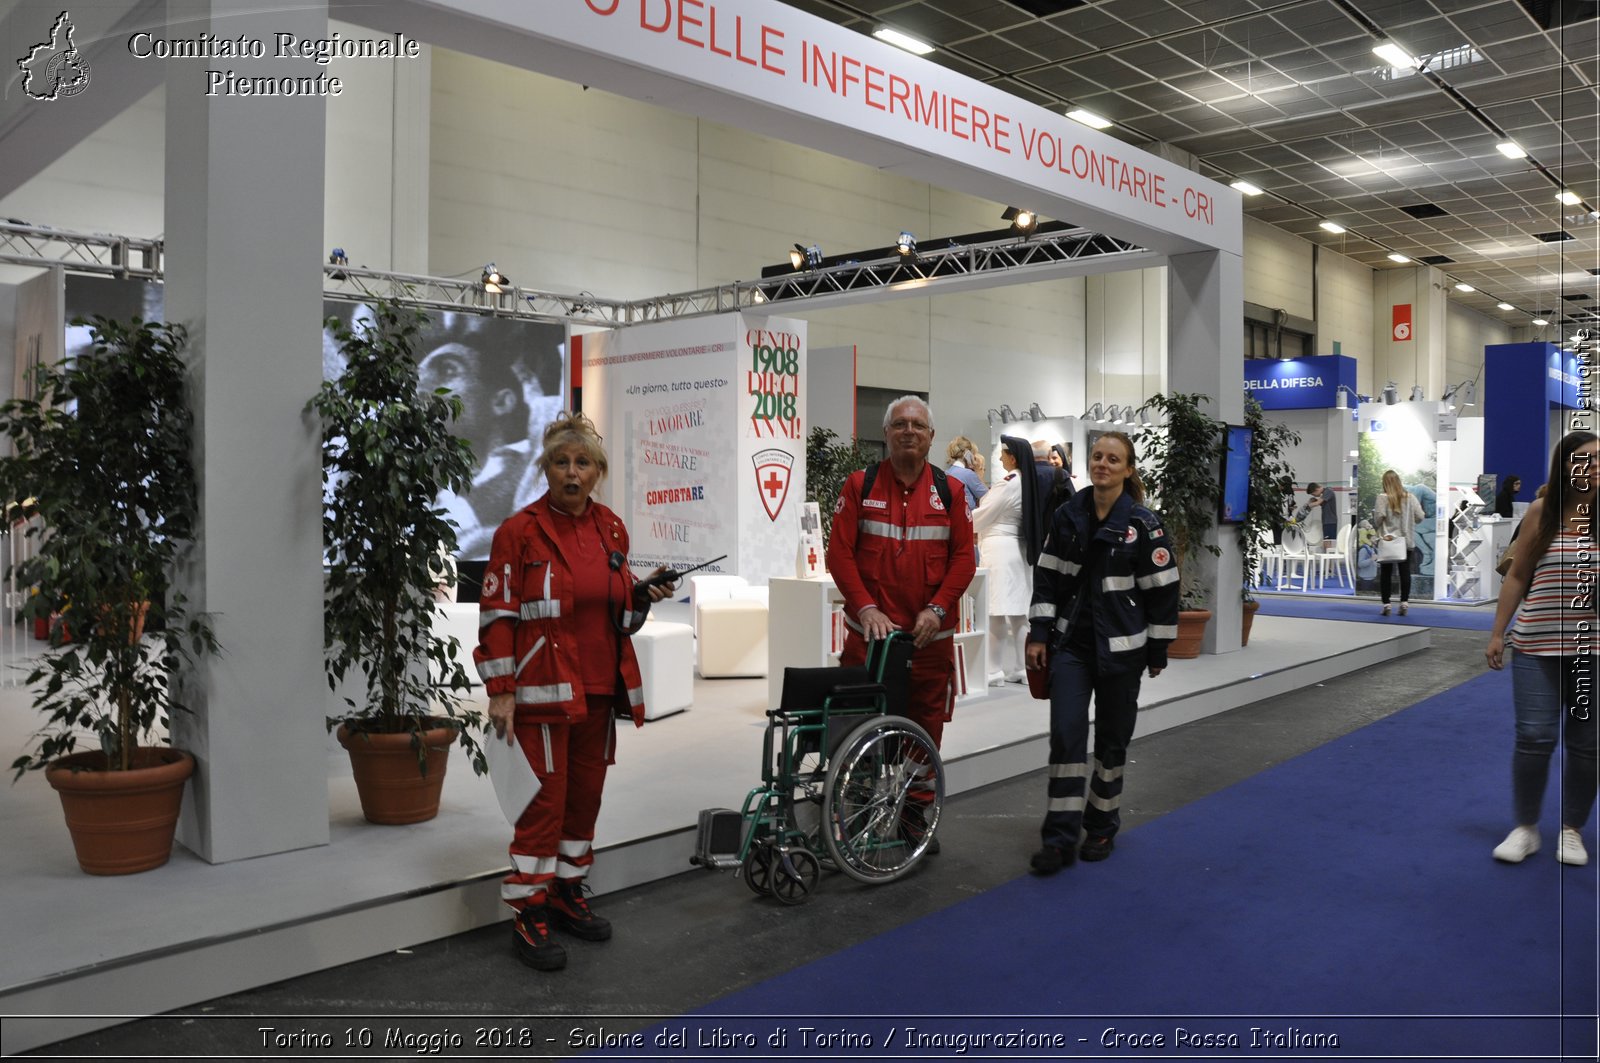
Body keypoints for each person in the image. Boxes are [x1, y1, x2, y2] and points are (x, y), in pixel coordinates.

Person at [475, 411, 676, 973]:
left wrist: (641, 596)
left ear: (598, 472)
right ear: (546, 469)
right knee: (544, 804)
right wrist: (501, 688)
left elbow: (619, 614)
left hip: (598, 692)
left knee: (584, 801)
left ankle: (566, 891)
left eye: (582, 463)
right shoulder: (518, 532)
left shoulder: (612, 529)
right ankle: (529, 907)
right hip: (540, 693)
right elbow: (498, 613)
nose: (571, 472)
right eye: (561, 462)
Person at [1024, 431, 1178, 874]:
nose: (1103, 464)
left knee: (1112, 743)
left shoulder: (1146, 525)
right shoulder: (1067, 515)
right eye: (1097, 457)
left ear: (1128, 470)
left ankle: (1102, 825)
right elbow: (1048, 577)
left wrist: (1157, 651)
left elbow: (1164, 591)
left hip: (1123, 653)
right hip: (1072, 647)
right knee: (1066, 738)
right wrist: (1038, 632)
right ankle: (1058, 840)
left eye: (1114, 459)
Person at [827, 395, 977, 850]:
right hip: (868, 644)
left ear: (931, 437)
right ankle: (855, 818)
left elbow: (964, 558)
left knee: (924, 733)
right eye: (899, 425)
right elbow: (840, 554)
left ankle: (914, 819)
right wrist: (865, 606)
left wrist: (938, 608)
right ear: (886, 434)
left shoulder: (950, 492)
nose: (908, 431)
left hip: (928, 645)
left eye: (917, 425)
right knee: (859, 730)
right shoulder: (860, 485)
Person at [1484, 431, 1597, 867]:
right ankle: (1526, 828)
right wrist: (1498, 632)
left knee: (1587, 745)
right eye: (1586, 459)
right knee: (1534, 738)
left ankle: (1571, 831)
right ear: (1567, 466)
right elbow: (1517, 576)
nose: (1596, 465)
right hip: (1535, 643)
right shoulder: (1540, 513)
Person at [419, 341, 536, 559]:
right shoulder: (428, 489)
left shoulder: (536, 468)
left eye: (447, 370)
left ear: (500, 402)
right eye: (416, 378)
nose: (420, 388)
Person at [973, 436, 1032, 685]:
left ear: (1013, 457)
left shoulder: (1008, 483)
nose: (999, 458)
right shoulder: (1024, 481)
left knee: (995, 612)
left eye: (1003, 454)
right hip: (1017, 550)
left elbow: (985, 513)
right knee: (1019, 614)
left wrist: (960, 521)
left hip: (999, 549)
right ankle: (1022, 668)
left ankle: (994, 670)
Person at [1373, 470, 1425, 616]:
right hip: (1406, 541)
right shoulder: (1411, 497)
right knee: (1405, 571)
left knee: (1386, 573)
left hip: (1388, 541)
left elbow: (1378, 519)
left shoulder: (1382, 498)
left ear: (1385, 482)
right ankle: (1404, 602)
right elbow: (1420, 516)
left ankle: (1387, 605)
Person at [943, 436, 988, 514]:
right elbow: (987, 497)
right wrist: (979, 473)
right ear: (968, 454)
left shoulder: (945, 473)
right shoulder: (968, 474)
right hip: (968, 518)